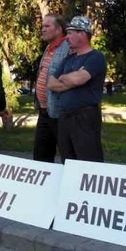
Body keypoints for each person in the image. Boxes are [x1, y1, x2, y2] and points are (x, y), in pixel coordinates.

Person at [47, 15, 107, 163]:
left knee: (87, 161)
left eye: (70, 33)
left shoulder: (96, 57)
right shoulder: (69, 59)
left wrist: (69, 78)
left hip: (84, 117)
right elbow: (51, 83)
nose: (67, 37)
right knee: (67, 160)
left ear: (82, 34)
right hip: (65, 117)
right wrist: (71, 80)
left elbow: (79, 78)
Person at [33, 13, 70, 163]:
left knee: (67, 156)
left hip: (59, 113)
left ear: (59, 29)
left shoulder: (68, 47)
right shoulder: (49, 48)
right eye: (42, 26)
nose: (43, 29)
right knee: (41, 156)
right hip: (44, 112)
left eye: (47, 26)